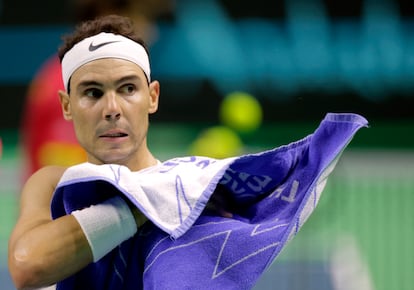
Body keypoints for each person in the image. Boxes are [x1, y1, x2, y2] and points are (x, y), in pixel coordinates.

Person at [9, 15, 368, 290]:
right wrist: (146, 203)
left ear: (152, 97)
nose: (112, 108)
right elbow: (27, 266)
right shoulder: (54, 184)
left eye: (128, 88)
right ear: (67, 105)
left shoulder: (195, 191)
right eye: (92, 93)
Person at [19, 0, 174, 181]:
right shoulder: (64, 84)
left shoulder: (61, 76)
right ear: (107, 14)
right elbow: (69, 188)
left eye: (128, 89)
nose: (152, 31)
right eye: (142, 17)